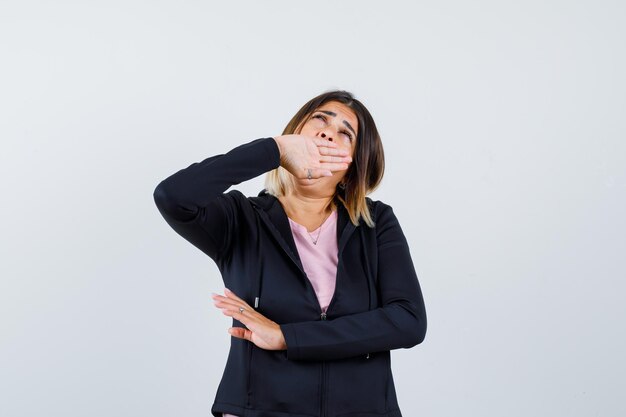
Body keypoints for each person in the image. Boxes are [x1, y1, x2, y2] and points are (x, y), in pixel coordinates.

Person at [153, 90, 427, 417]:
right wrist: (274, 149)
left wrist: (287, 337)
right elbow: (172, 196)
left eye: (345, 133)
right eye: (319, 121)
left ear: (354, 163)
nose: (328, 133)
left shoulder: (376, 222)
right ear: (296, 132)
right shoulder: (240, 219)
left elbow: (408, 321)